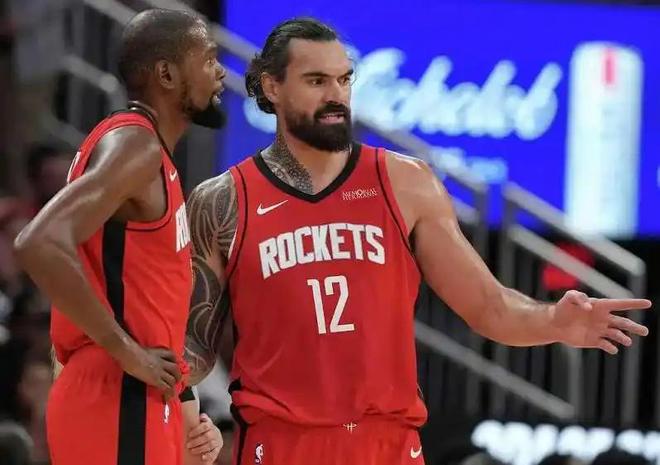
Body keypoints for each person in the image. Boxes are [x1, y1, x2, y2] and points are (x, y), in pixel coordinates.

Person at [183, 17, 651, 465]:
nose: (336, 95)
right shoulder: (223, 200)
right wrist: (179, 406)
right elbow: (192, 346)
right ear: (272, 86)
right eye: (316, 81)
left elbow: (489, 307)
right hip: (279, 443)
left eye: (344, 80)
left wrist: (553, 321)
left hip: (387, 443)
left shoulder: (405, 182)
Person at [14, 9, 226, 465]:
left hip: (133, 392)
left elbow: (150, 309)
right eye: (209, 59)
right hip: (115, 391)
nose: (220, 72)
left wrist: (186, 409)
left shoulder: (149, 154)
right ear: (167, 74)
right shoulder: (135, 145)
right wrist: (126, 352)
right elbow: (39, 241)